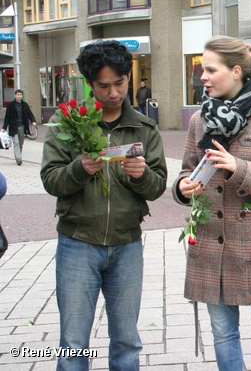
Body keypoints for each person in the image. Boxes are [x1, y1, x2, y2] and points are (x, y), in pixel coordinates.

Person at [41, 40, 168, 370]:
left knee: (127, 340)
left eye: (120, 82)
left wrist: (142, 176)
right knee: (73, 342)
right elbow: (51, 180)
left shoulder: (144, 127)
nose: (113, 93)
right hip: (77, 244)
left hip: (127, 245)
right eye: (103, 85)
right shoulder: (69, 122)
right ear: (89, 83)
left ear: (128, 76)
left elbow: (157, 187)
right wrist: (79, 169)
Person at [173, 35, 251, 370]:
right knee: (223, 333)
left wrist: (239, 168)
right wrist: (184, 187)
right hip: (210, 247)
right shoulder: (200, 119)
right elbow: (186, 171)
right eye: (202, 69)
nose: (203, 76)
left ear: (237, 71)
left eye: (210, 69)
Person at [2, 89, 37, 166]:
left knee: (21, 143)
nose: (19, 96)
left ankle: (19, 156)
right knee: (16, 143)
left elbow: (30, 114)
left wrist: (33, 121)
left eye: (20, 95)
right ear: (15, 95)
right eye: (18, 95)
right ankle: (18, 159)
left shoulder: (25, 105)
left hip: (22, 126)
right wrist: (4, 127)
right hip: (13, 127)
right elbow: (7, 117)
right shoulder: (10, 105)